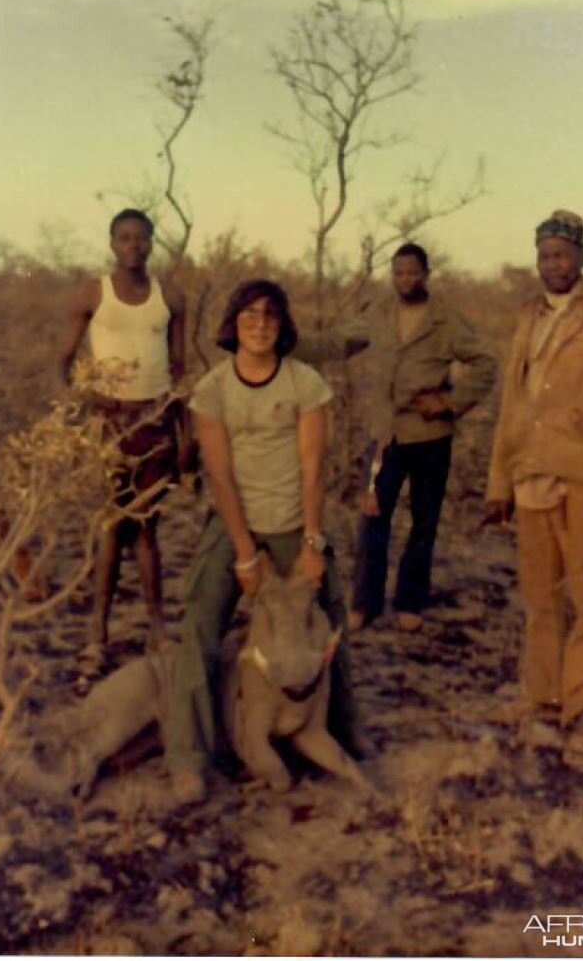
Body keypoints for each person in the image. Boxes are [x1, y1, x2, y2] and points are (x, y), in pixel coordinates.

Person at [165, 279, 363, 806]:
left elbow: (312, 466)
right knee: (200, 626)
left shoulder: (305, 382)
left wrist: (313, 543)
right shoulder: (212, 389)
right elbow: (220, 475)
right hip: (236, 524)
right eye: (249, 314)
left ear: (284, 325)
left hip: (296, 522)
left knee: (329, 618)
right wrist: (244, 552)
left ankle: (344, 735)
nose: (259, 324)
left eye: (270, 315)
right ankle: (189, 758)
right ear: (233, 324)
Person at [484, 209, 583, 768]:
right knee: (539, 597)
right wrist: (499, 482)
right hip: (530, 473)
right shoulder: (528, 316)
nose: (553, 264)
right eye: (545, 255)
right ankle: (544, 701)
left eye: (563, 254)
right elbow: (512, 402)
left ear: (582, 257)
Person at [295, 242, 497, 633]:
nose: (406, 279)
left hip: (431, 437)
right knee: (372, 520)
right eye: (399, 272)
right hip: (385, 436)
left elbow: (486, 364)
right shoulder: (379, 313)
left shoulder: (447, 320)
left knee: (424, 522)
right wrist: (290, 343)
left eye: (413, 272)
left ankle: (410, 602)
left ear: (427, 274)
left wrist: (449, 401)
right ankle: (364, 604)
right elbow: (338, 342)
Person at [59, 208, 186, 681]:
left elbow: (178, 366)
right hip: (109, 423)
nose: (133, 246)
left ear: (152, 243)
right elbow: (65, 358)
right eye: (125, 238)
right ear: (113, 243)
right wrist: (85, 401)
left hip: (155, 421)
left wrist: (184, 432)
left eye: (141, 238)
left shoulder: (169, 296)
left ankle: (157, 630)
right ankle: (98, 634)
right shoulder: (94, 293)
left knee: (148, 528)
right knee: (113, 527)